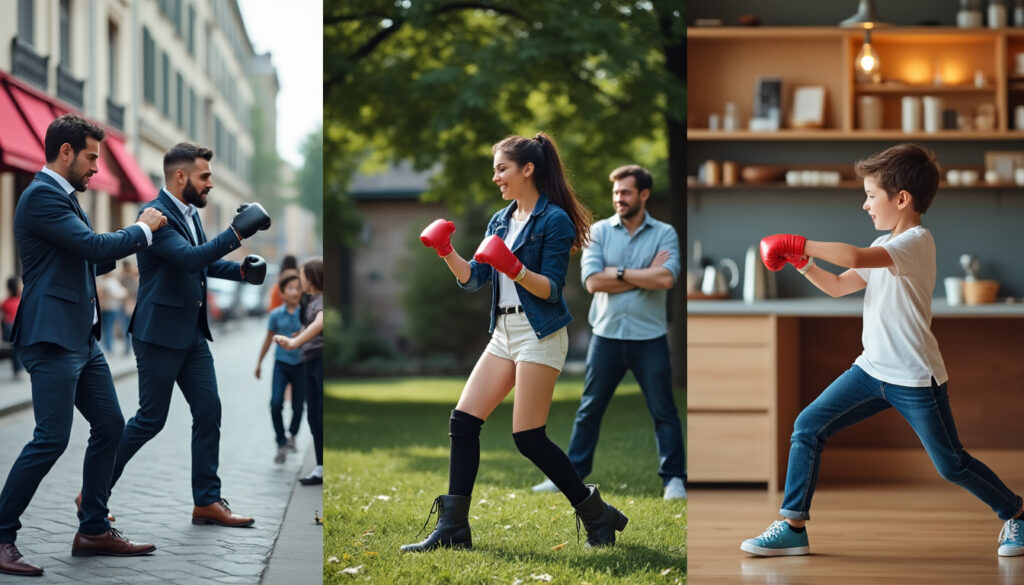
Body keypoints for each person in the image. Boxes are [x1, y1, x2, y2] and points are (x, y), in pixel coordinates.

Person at [743, 143, 1024, 558]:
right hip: (871, 370)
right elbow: (839, 286)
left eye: (871, 195)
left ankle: (1015, 513)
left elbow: (855, 256)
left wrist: (799, 242)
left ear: (902, 199)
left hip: (914, 377)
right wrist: (802, 263)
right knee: (808, 427)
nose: (865, 204)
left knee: (951, 464)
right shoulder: (885, 245)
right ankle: (793, 525)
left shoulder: (914, 243)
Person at [403, 132, 627, 553]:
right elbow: (475, 279)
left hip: (539, 332)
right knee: (464, 421)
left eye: (502, 169)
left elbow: (552, 290)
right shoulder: (500, 221)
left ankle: (598, 515)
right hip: (502, 334)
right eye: (495, 170)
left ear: (528, 169)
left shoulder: (554, 220)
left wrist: (516, 267)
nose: (496, 178)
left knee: (528, 438)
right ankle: (454, 530)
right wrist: (446, 250)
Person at [0, 114, 165, 576]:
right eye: (92, 157)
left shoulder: (67, 199)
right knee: (50, 439)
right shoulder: (41, 197)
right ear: (67, 152)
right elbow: (91, 247)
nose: (97, 167)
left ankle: (92, 529)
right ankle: (1, 534)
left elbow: (88, 258)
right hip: (51, 337)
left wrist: (126, 248)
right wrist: (143, 229)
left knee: (111, 425)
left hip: (81, 338)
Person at [107, 142, 271, 529]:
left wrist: (243, 273)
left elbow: (205, 263)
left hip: (192, 335)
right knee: (150, 420)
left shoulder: (190, 214)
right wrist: (236, 231)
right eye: (205, 176)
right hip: (159, 334)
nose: (211, 184)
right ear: (180, 177)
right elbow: (187, 259)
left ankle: (207, 502)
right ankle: (94, 491)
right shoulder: (154, 216)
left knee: (209, 410)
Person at [531, 164, 685, 500]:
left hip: (650, 338)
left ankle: (674, 479)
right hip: (607, 337)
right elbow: (592, 281)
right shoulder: (598, 232)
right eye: (616, 192)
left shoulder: (665, 233)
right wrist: (642, 272)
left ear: (643, 195)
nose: (619, 198)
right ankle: (569, 477)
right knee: (590, 409)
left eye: (626, 192)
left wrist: (616, 274)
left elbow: (666, 279)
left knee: (664, 411)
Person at [274, 257, 324, 486]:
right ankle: (320, 467)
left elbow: (319, 324)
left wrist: (295, 343)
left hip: (319, 358)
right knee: (313, 415)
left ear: (312, 278)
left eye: (302, 275)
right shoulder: (311, 300)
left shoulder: (322, 300)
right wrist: (299, 335)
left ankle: (323, 467)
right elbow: (309, 325)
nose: (300, 279)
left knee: (319, 415)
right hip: (310, 360)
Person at [256, 272, 306, 463]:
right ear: (283, 293)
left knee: (298, 406)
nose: (295, 292)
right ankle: (281, 441)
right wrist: (259, 363)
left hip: (301, 365)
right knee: (276, 403)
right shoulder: (276, 315)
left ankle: (292, 434)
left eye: (298, 288)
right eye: (290, 288)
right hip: (281, 364)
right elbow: (268, 339)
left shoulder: (307, 313)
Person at [97, 270, 127, 354]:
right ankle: (109, 348)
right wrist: (125, 293)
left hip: (106, 308)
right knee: (110, 328)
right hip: (112, 308)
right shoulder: (111, 282)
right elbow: (119, 294)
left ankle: (108, 347)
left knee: (107, 328)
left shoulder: (103, 282)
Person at [1, 277, 22, 379]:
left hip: (10, 329)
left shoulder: (5, 303)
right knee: (17, 349)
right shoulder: (20, 301)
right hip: (16, 328)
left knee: (16, 350)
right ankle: (19, 369)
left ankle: (18, 369)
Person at [119, 260, 139, 356]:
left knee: (127, 327)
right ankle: (128, 349)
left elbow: (132, 291)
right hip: (129, 304)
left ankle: (128, 349)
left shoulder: (128, 277)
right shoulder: (129, 276)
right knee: (128, 328)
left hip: (129, 304)